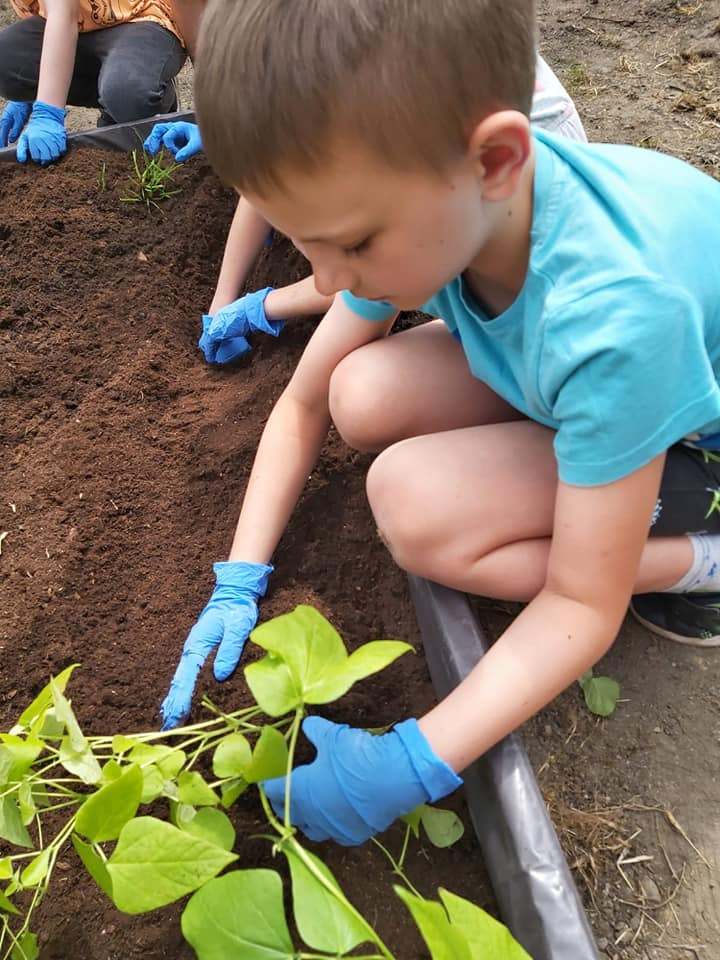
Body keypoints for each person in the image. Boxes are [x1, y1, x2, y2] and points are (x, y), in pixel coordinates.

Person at [165, 0, 720, 848]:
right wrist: (239, 575)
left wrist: (420, 755)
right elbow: (308, 401)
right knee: (363, 392)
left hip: (691, 433)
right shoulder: (442, 202)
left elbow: (581, 602)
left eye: (346, 243)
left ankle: (703, 563)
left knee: (418, 509)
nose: (325, 276)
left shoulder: (615, 317)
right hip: (609, 381)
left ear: (495, 159)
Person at [142, 54, 586, 364]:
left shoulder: (395, 123)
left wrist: (262, 306)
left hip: (526, 227)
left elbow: (382, 263)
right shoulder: (326, 64)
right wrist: (224, 299)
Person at [0, 0, 192, 165]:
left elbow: (63, 12)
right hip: (79, 25)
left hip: (139, 16)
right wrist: (35, 91)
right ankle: (117, 91)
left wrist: (47, 111)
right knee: (6, 62)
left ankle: (142, 89)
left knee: (129, 92)